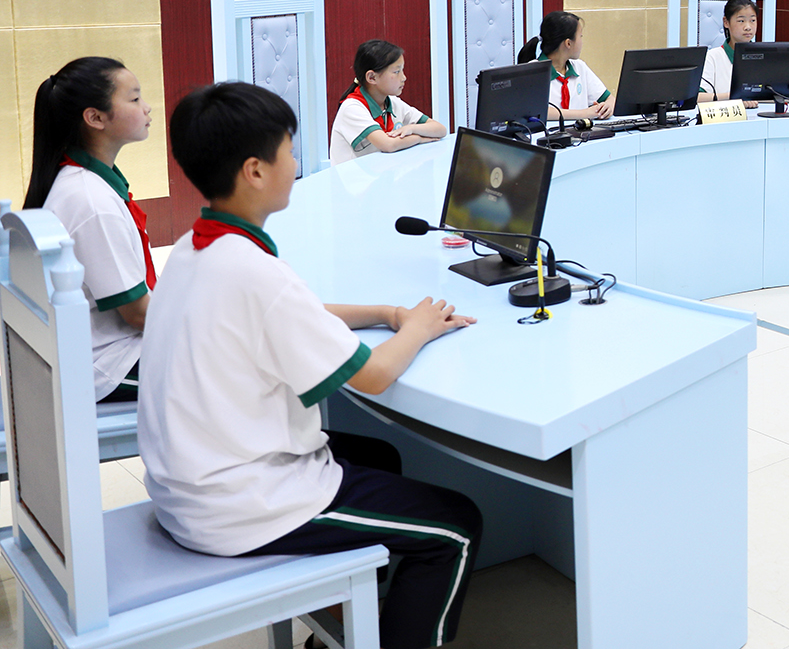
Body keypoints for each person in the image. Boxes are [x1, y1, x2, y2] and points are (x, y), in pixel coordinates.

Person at [139, 82, 482, 649]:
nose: (297, 165)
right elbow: (374, 375)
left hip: (189, 485)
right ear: (255, 171)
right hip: (241, 507)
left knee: (380, 457)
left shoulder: (194, 250)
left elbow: (294, 313)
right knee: (457, 526)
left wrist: (386, 313)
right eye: (290, 151)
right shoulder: (257, 274)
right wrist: (418, 329)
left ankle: (351, 625)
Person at [23, 56, 156, 401]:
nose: (147, 108)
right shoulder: (91, 201)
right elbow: (139, 314)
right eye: (135, 98)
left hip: (110, 349)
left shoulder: (85, 183)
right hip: (108, 364)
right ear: (95, 118)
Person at [330, 40, 444, 165]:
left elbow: (440, 130)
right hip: (354, 177)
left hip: (383, 173)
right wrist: (419, 138)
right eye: (397, 72)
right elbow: (389, 145)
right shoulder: (352, 108)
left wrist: (411, 128)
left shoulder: (393, 102)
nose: (404, 77)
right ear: (372, 77)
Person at [518, 11, 614, 121]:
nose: (582, 42)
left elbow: (609, 98)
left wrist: (607, 107)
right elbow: (536, 111)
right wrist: (584, 113)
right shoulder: (533, 71)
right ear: (568, 43)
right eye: (580, 36)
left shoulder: (580, 67)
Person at [698, 0, 759, 105]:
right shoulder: (712, 57)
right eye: (741, 21)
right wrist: (734, 97)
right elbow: (698, 97)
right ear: (726, 22)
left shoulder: (764, 56)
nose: (748, 27)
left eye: (753, 20)